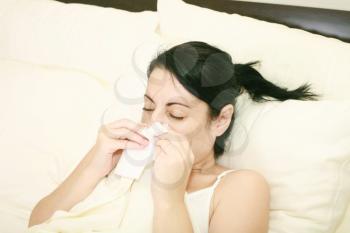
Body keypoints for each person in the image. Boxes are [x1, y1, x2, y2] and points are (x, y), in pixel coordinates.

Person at [28, 41, 318, 233]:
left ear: (221, 119)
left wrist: (169, 195)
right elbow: (38, 222)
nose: (153, 123)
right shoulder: (123, 162)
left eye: (176, 114)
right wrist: (94, 162)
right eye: (148, 106)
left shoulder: (240, 187)